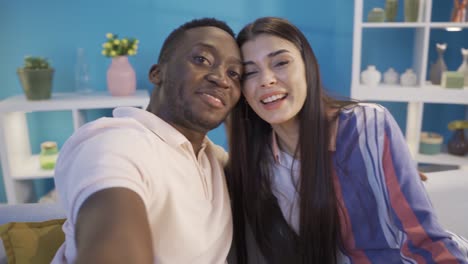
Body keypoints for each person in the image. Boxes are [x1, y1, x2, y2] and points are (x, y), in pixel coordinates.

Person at [227, 17, 468, 264]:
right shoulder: (261, 166)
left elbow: (427, 239)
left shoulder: (369, 125)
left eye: (280, 62)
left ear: (308, 67)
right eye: (250, 72)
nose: (266, 79)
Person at [52, 18, 243, 264]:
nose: (222, 79)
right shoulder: (117, 142)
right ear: (157, 73)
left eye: (234, 74)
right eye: (201, 59)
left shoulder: (212, 158)